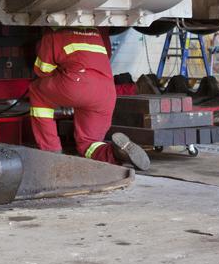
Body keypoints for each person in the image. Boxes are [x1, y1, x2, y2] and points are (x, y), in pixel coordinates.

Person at [27, 27, 149, 170]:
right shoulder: (97, 34)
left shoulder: (53, 35)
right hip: (106, 92)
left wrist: (60, 81)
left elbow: (42, 70)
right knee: (89, 144)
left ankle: (51, 150)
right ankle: (116, 155)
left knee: (37, 91)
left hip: (76, 85)